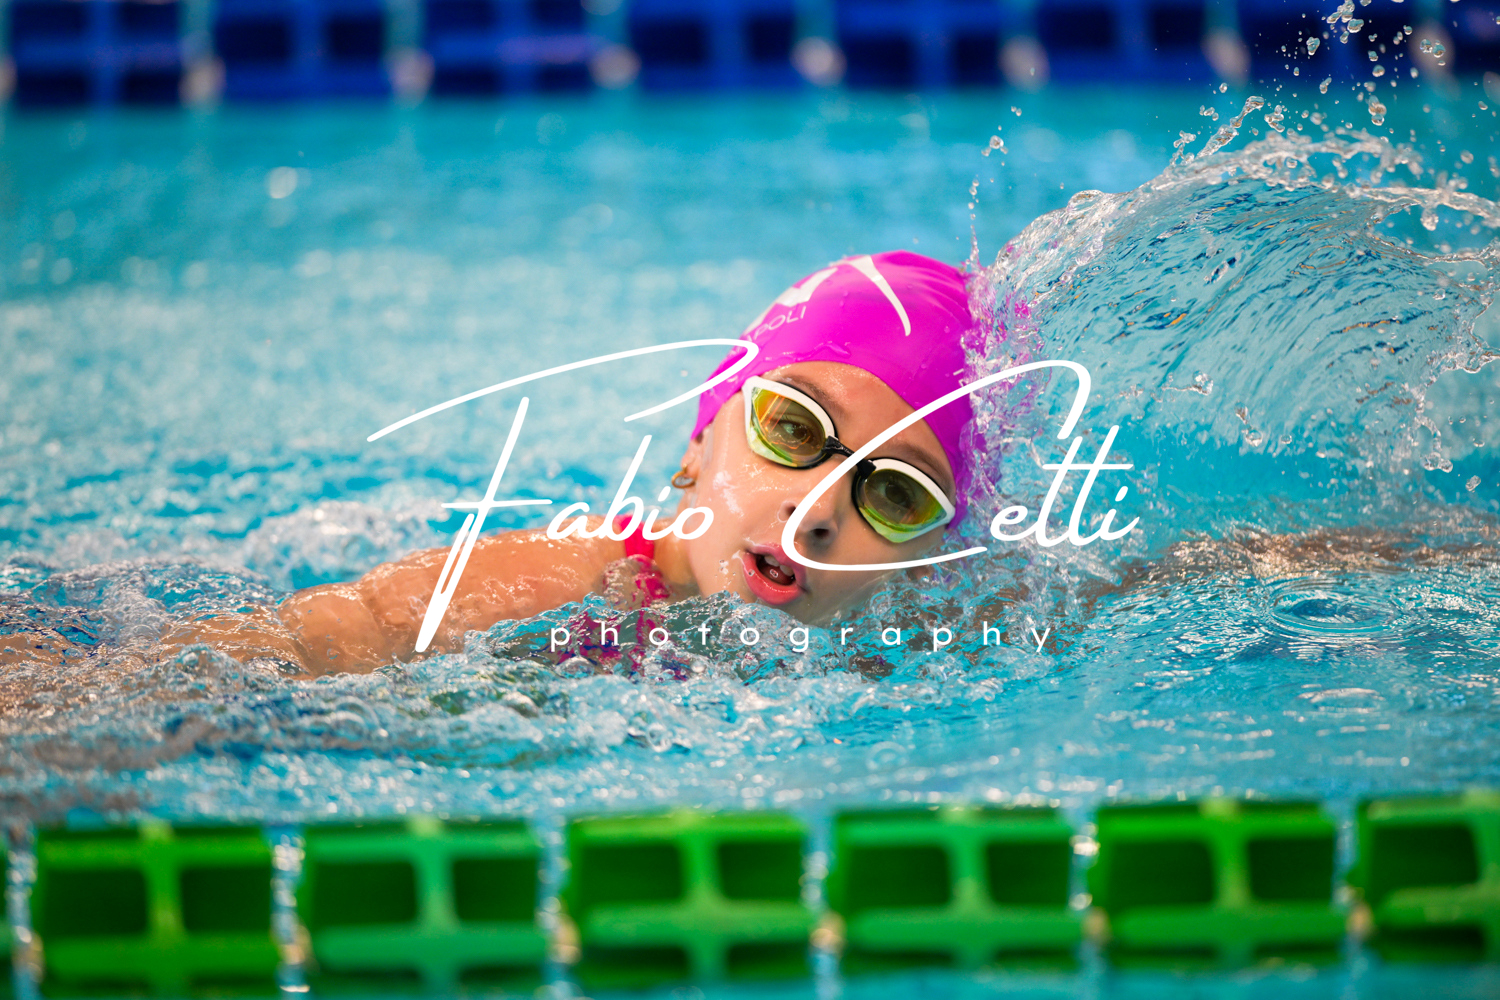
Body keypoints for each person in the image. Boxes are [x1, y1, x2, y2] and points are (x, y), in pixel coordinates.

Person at [154, 251, 982, 675]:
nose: (819, 511)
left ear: (927, 558)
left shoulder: (914, 642)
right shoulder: (563, 584)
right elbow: (301, 641)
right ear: (700, 441)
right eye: (794, 430)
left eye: (897, 495)